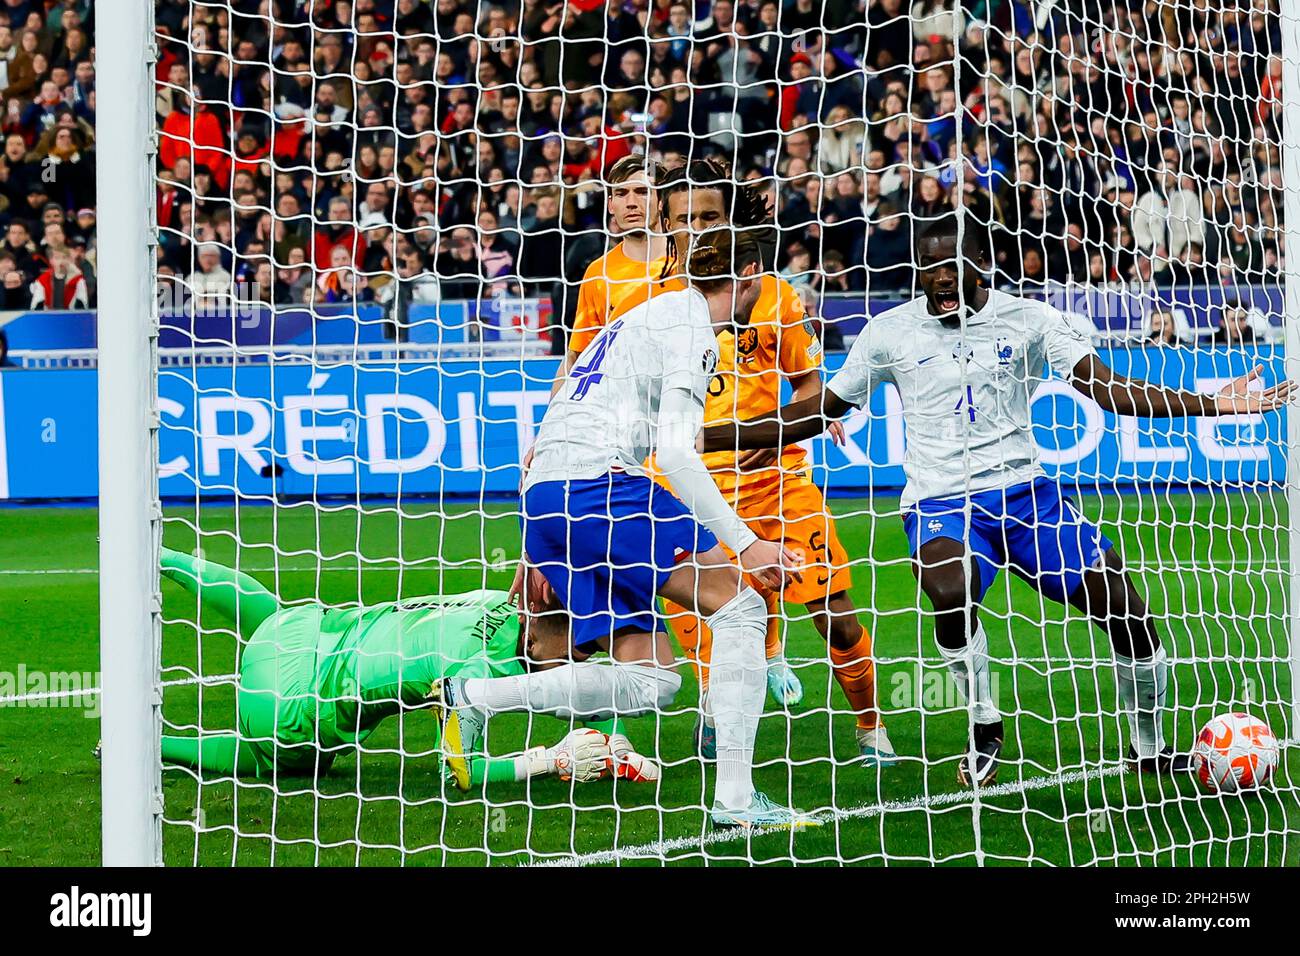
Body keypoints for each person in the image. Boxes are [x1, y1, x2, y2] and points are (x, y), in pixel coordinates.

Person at [702, 215, 1294, 787]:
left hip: (1028, 496)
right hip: (940, 500)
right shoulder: (891, 332)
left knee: (1125, 606)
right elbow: (820, 408)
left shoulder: (1031, 319)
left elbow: (1109, 388)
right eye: (927, 267)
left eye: (950, 266)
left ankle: (1148, 746)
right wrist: (712, 437)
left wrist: (1214, 405)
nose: (938, 278)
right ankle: (984, 719)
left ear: (982, 264)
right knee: (949, 592)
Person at [434, 231, 814, 830]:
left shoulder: (646, 317)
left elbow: (557, 424)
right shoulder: (692, 330)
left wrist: (540, 532)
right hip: (599, 487)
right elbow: (677, 452)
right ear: (750, 273)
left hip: (550, 494)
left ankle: (474, 698)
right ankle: (737, 802)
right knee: (741, 607)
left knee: (653, 678)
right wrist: (749, 542)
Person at [153, 547, 658, 790]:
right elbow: (459, 771)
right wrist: (552, 759)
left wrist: (616, 739)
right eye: (584, 647)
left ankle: (160, 555)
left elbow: (574, 686)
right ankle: (148, 746)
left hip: (300, 626)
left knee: (272, 611)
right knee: (292, 765)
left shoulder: (495, 601)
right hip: (288, 707)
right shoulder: (478, 672)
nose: (587, 660)